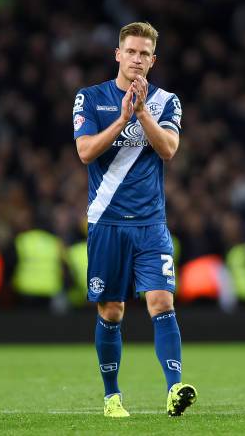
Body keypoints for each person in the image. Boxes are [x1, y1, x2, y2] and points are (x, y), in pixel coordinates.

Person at [73, 21, 196, 418]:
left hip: (150, 223)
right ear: (118, 54)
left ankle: (174, 388)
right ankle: (112, 396)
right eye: (131, 52)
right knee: (112, 311)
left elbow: (169, 149)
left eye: (145, 54)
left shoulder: (167, 102)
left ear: (153, 60)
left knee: (162, 300)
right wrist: (122, 117)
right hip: (107, 221)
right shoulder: (89, 98)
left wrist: (142, 114)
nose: (138, 60)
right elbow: (86, 151)